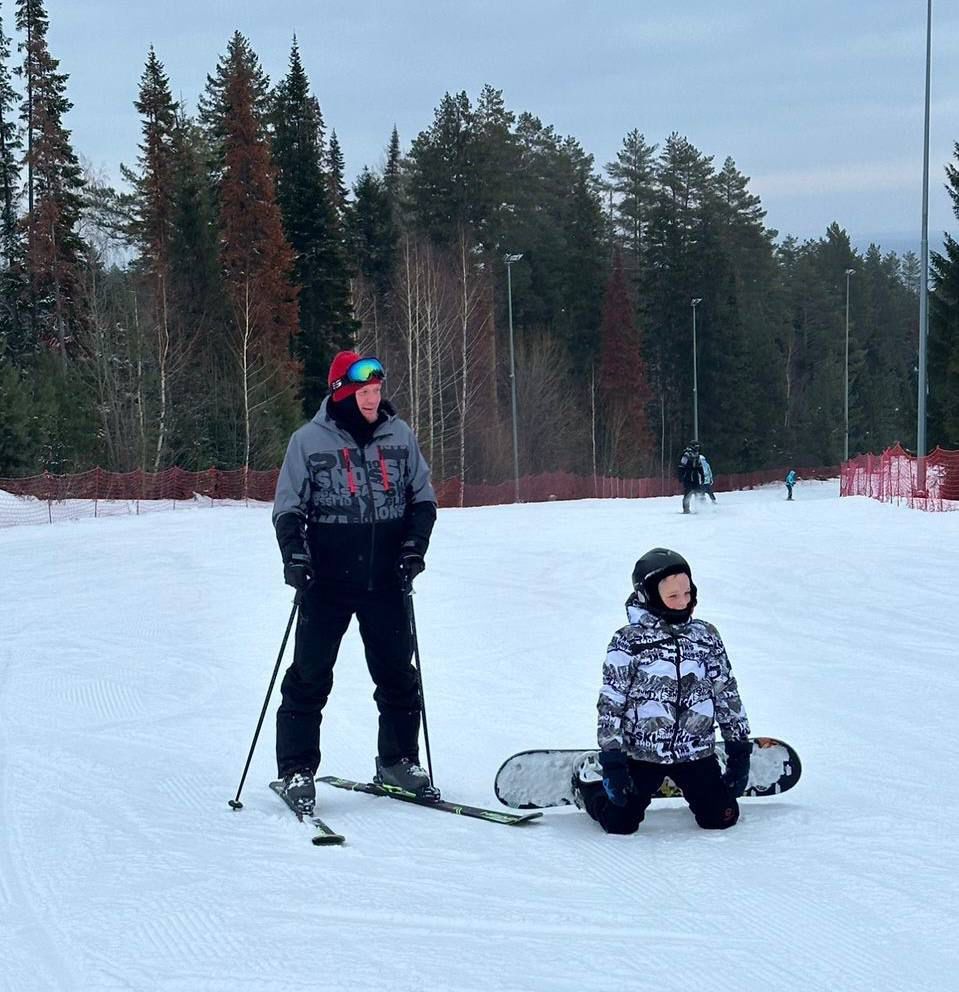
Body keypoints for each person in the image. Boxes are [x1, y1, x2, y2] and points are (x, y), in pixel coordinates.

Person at [271, 351, 438, 813]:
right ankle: (296, 770)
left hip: (386, 579)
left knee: (398, 676)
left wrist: (413, 547)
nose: (373, 399)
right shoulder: (307, 441)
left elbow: (422, 498)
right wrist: (296, 557)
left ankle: (398, 762)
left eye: (377, 390)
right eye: (364, 391)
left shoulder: (399, 435)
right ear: (342, 392)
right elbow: (288, 507)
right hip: (326, 580)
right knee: (309, 676)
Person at [572, 548, 752, 834]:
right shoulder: (628, 641)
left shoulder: (705, 636)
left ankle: (702, 773)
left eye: (687, 593)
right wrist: (613, 759)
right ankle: (589, 786)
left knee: (723, 817)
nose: (683, 602)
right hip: (642, 754)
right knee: (620, 824)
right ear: (649, 596)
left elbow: (726, 691)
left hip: (695, 751)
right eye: (673, 596)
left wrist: (738, 747)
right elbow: (611, 703)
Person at [677, 441, 704, 514]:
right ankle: (686, 509)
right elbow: (681, 466)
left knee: (698, 492)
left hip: (695, 476)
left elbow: (699, 466)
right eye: (696, 447)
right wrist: (680, 476)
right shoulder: (686, 454)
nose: (697, 448)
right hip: (687, 476)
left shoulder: (697, 454)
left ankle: (700, 507)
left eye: (698, 447)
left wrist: (702, 475)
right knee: (688, 493)